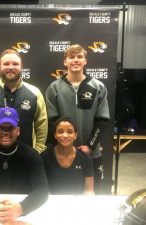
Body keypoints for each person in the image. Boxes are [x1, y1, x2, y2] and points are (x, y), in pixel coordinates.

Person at [45, 44, 110, 192]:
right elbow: (53, 120)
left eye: (79, 56)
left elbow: (102, 120)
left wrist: (90, 146)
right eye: (71, 57)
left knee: (91, 194)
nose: (75, 60)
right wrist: (66, 145)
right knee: (62, 194)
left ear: (85, 61)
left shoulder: (98, 86)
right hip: (63, 154)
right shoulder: (54, 88)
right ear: (65, 62)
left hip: (91, 153)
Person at [0, 49, 48, 153]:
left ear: (22, 67)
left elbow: (41, 125)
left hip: (27, 159)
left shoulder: (35, 93)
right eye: (6, 64)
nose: (10, 67)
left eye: (15, 64)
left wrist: (38, 151)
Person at [41, 117, 94, 195]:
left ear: (75, 135)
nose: (65, 135)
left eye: (69, 132)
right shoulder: (44, 157)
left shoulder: (86, 159)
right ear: (55, 135)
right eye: (60, 131)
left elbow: (88, 191)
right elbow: (42, 189)